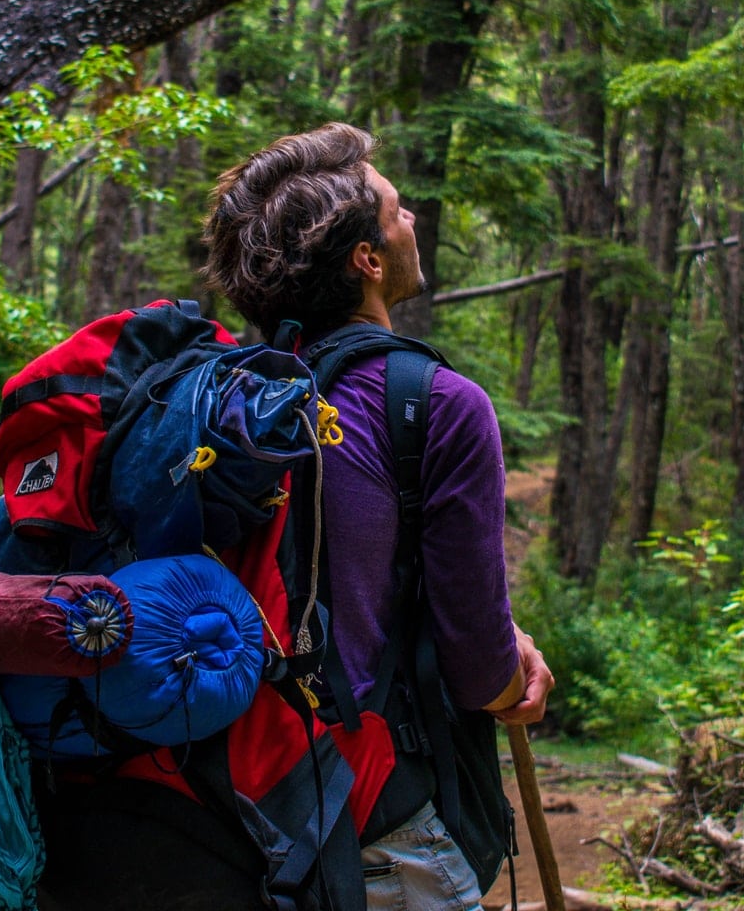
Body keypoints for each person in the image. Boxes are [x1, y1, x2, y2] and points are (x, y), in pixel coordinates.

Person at [199, 122, 555, 909]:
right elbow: (477, 663)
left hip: (223, 812)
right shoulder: (436, 406)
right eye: (396, 212)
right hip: (369, 816)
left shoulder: (227, 401)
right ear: (368, 259)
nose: (412, 221)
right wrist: (515, 668)